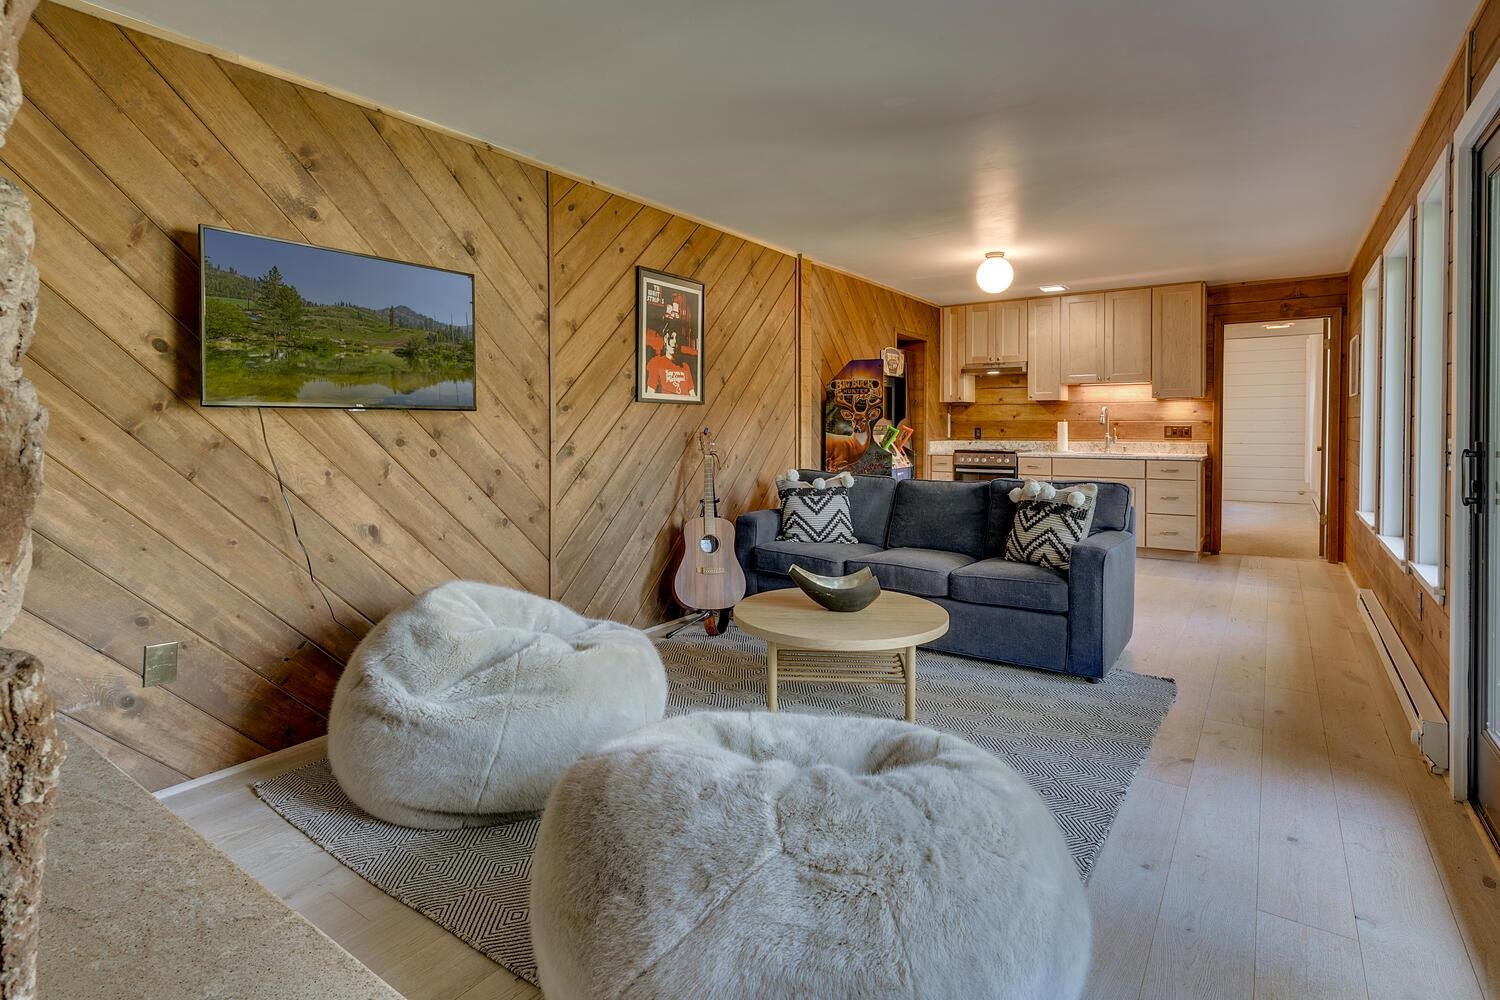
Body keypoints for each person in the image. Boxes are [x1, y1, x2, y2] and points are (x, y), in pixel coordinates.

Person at [646, 303, 697, 396]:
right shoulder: (656, 363)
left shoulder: (685, 367)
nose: (674, 342)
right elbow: (649, 395)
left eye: (677, 339)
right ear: (665, 338)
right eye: (671, 338)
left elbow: (693, 396)